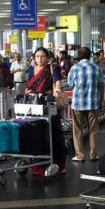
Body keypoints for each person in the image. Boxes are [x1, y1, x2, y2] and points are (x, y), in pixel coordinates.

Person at [25, 46, 67, 175]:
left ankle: (59, 164)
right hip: (35, 106)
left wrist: (57, 91)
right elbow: (28, 86)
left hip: (49, 105)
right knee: (37, 133)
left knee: (54, 134)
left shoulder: (53, 68)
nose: (40, 59)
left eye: (42, 56)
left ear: (47, 58)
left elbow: (57, 82)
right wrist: (30, 92)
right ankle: (38, 165)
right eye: (37, 56)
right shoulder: (31, 70)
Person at [67, 47, 104, 162]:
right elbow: (101, 85)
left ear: (79, 56)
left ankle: (79, 155)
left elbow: (70, 84)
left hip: (78, 103)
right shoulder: (96, 68)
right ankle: (93, 155)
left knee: (77, 129)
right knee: (93, 130)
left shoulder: (75, 68)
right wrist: (101, 100)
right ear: (90, 55)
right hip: (93, 103)